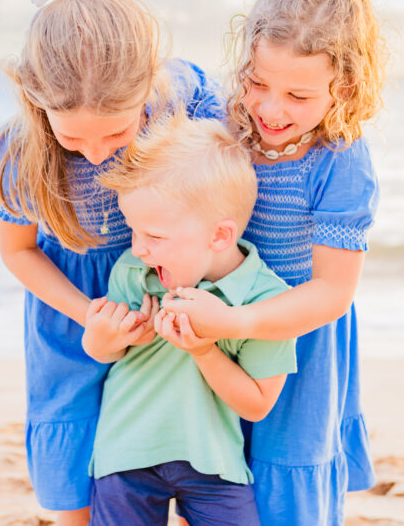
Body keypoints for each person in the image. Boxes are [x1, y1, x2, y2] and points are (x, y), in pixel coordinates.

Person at [0, 0, 223, 526]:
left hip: (166, 290)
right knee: (75, 433)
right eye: (72, 137)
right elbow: (18, 251)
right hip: (73, 307)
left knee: (181, 432)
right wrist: (90, 315)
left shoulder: (183, 100)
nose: (94, 153)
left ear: (148, 88)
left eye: (116, 133)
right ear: (36, 103)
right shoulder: (19, 154)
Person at [161, 0, 386, 525]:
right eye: (258, 83)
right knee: (212, 479)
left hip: (296, 341)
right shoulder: (222, 120)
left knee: (286, 492)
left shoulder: (340, 159)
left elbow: (333, 292)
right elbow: (165, 75)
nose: (271, 109)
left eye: (299, 95)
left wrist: (237, 324)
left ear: (345, 88)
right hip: (216, 332)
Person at [83, 114, 297, 526]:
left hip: (213, 461)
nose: (140, 249)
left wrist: (203, 349)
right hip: (125, 451)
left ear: (218, 236)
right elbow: (99, 353)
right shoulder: (133, 272)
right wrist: (102, 336)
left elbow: (256, 406)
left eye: (155, 237)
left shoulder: (266, 301)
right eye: (133, 231)